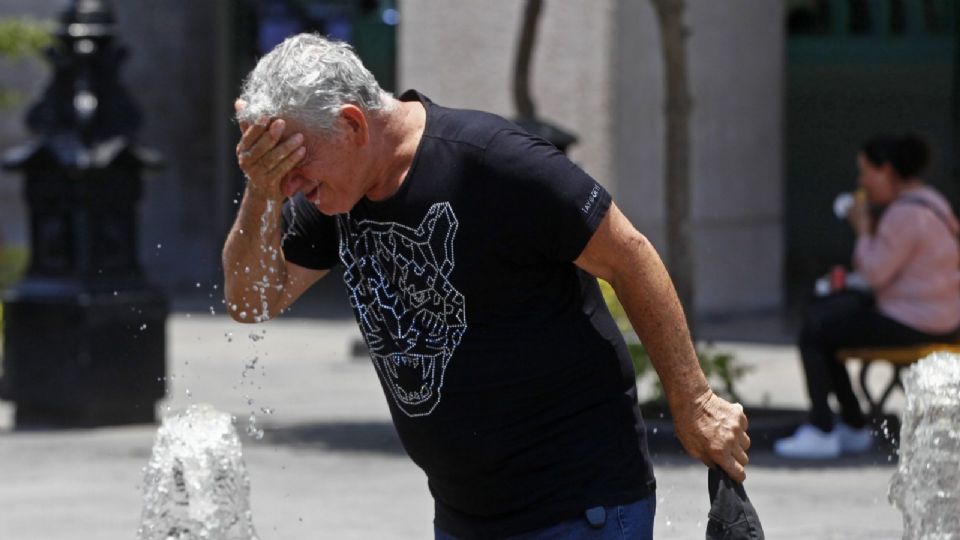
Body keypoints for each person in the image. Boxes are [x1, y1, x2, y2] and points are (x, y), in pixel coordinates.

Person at [223, 33, 750, 539]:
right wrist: (260, 190)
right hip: (464, 514)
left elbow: (630, 257)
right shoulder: (337, 194)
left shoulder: (492, 161)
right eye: (276, 166)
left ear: (353, 125)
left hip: (580, 506)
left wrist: (695, 400)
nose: (291, 185)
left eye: (294, 161)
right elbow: (252, 300)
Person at [775, 134, 960, 459]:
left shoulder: (904, 214)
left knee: (815, 329)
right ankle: (852, 422)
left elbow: (873, 272)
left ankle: (823, 427)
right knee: (829, 324)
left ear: (886, 170)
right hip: (944, 318)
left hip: (915, 322)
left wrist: (862, 228)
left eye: (865, 172)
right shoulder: (932, 201)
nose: (861, 182)